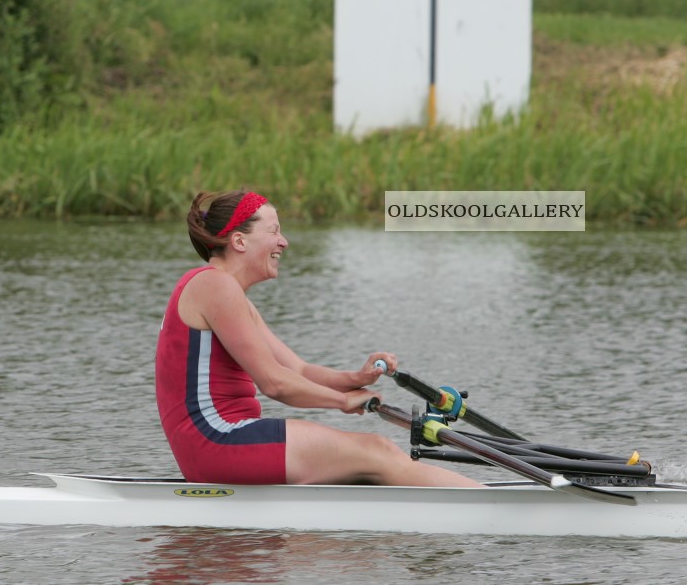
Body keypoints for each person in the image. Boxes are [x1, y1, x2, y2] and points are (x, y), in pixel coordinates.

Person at [155, 189, 481, 487]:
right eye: (273, 231)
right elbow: (275, 383)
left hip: (220, 443)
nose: (284, 242)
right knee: (375, 450)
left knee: (368, 460)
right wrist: (341, 401)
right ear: (239, 241)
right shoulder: (215, 286)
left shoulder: (228, 294)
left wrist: (355, 378)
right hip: (216, 440)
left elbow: (297, 370)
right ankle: (486, 504)